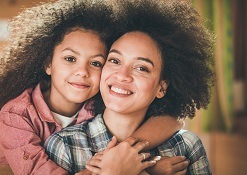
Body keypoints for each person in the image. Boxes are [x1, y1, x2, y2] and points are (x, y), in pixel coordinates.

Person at [0, 0, 185, 174]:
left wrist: (126, 155)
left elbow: (172, 120)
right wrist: (145, 168)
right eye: (70, 58)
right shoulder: (16, 115)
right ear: (48, 63)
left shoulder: (103, 99)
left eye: (95, 63)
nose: (82, 71)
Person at [45, 0, 215, 174]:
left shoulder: (187, 146)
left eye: (141, 68)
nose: (122, 75)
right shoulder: (63, 145)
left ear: (161, 88)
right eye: (115, 60)